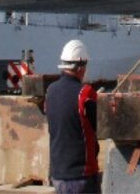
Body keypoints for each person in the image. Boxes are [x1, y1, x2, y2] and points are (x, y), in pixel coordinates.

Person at [45, 40, 99, 193]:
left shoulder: (51, 91)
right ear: (80, 67)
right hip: (82, 175)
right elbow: (100, 125)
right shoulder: (85, 93)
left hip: (58, 175)